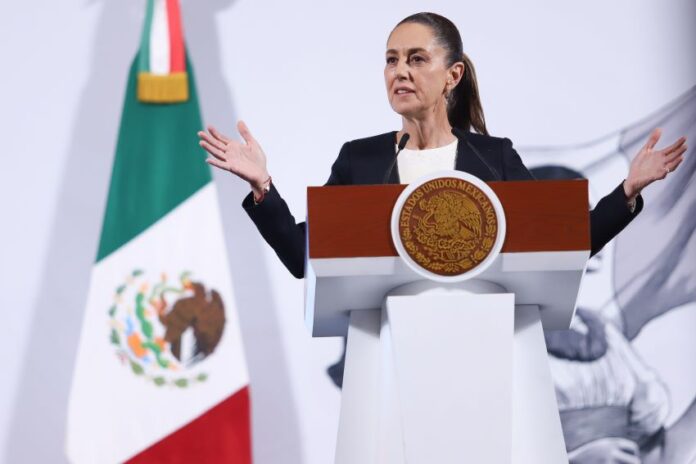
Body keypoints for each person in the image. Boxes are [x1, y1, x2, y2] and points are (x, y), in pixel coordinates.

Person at [197, 12, 687, 281]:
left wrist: (627, 191)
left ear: (453, 75)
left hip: (483, 348)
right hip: (385, 353)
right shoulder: (360, 159)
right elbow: (303, 256)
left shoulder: (492, 159)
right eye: (391, 60)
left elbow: (566, 242)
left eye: (415, 58)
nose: (399, 71)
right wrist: (263, 186)